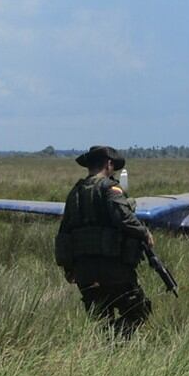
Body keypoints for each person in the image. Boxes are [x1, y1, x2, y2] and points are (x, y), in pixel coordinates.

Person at [55, 145, 155, 338]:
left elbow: (64, 233)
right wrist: (144, 233)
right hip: (113, 268)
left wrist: (69, 268)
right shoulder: (110, 189)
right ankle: (113, 340)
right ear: (109, 164)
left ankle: (106, 344)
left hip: (83, 271)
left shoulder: (75, 193)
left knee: (101, 319)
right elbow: (124, 218)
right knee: (138, 311)